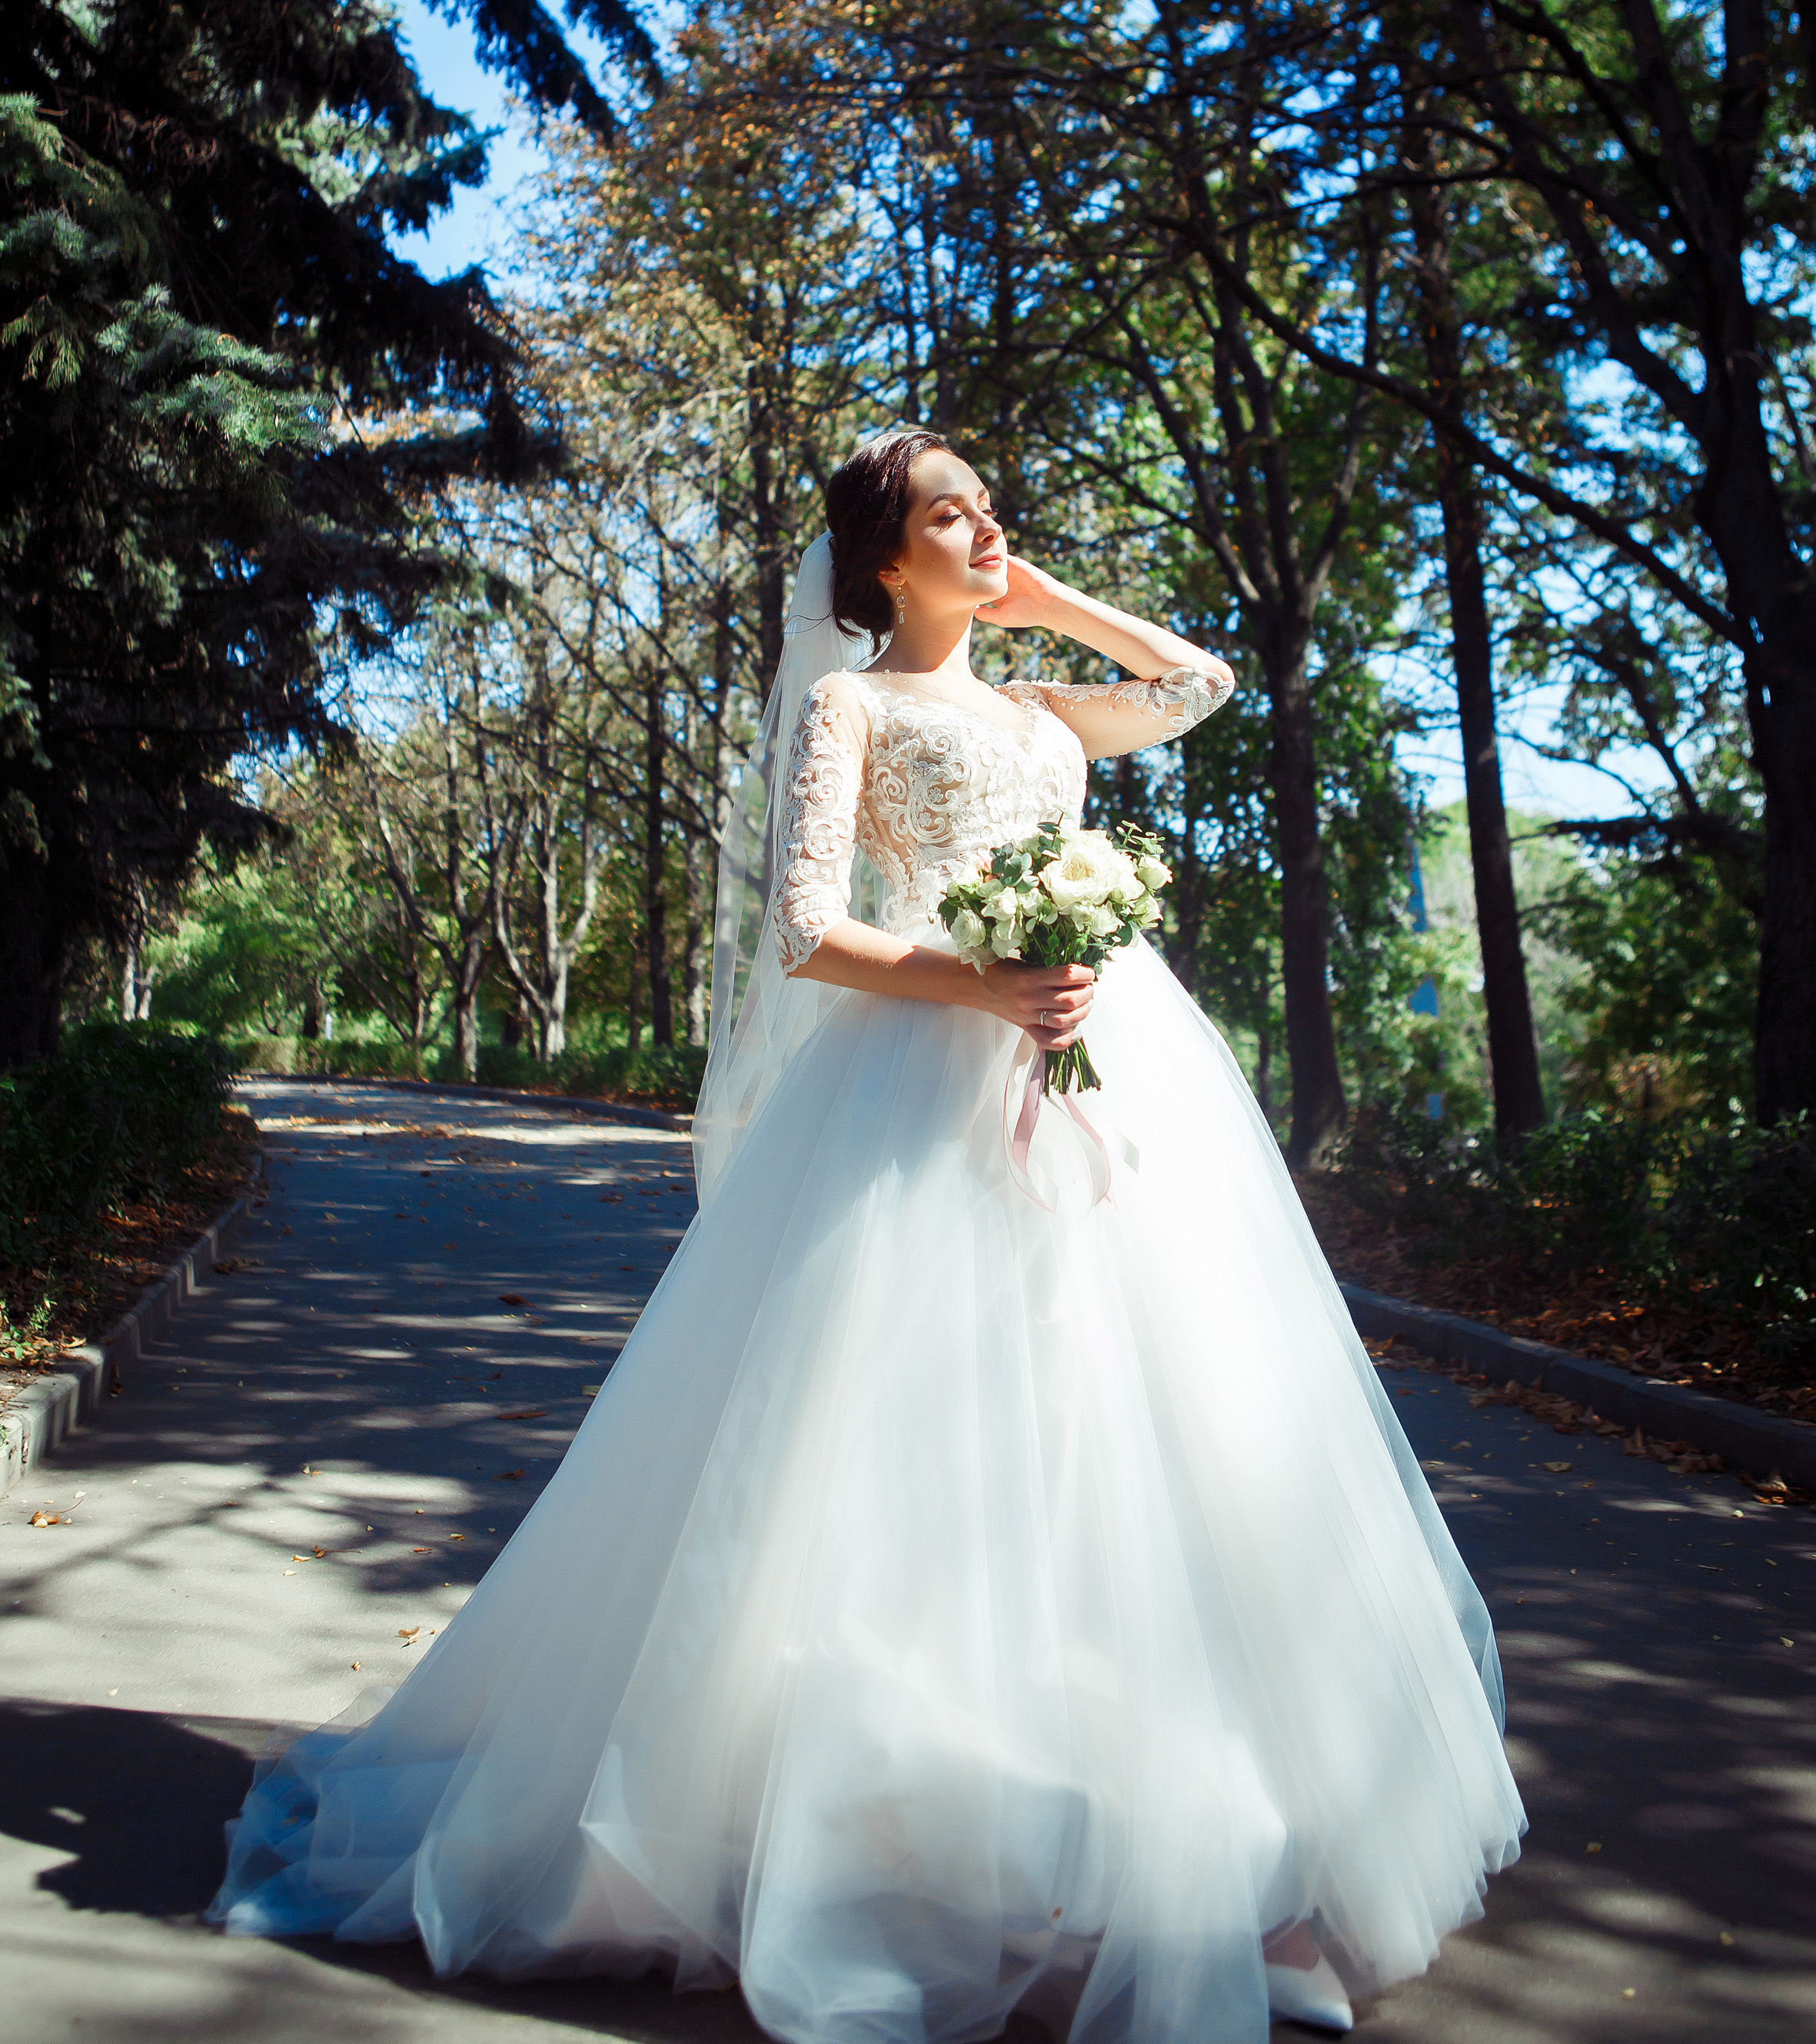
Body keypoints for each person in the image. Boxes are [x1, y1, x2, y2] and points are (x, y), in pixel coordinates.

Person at [209, 429, 1525, 2041]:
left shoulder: (1040, 708)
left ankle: (1157, 1862)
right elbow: (807, 928)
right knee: (912, 1467)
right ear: (878, 559)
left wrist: (1047, 596)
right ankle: (879, 1848)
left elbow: (1191, 681)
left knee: (1129, 1449)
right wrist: (986, 983)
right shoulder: (853, 703)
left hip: (1112, 1094)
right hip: (914, 1094)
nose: (982, 525)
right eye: (946, 514)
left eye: (986, 505)